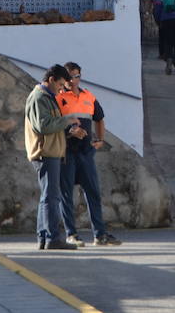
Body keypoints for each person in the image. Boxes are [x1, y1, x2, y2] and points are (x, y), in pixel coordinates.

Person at [57, 63, 122, 247]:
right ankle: (71, 234)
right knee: (66, 194)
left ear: (80, 77)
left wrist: (100, 139)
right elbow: (54, 123)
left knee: (93, 192)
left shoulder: (88, 96)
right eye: (69, 77)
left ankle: (99, 234)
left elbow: (99, 118)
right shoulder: (58, 98)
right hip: (66, 151)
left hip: (86, 152)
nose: (72, 81)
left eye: (76, 76)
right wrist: (70, 131)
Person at [26, 64, 86, 250]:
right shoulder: (39, 97)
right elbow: (43, 126)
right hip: (46, 153)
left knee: (47, 196)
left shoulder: (48, 97)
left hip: (50, 151)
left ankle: (44, 237)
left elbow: (51, 127)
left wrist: (69, 132)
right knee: (51, 197)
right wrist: (67, 120)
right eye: (60, 84)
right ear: (51, 79)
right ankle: (53, 238)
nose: (61, 89)